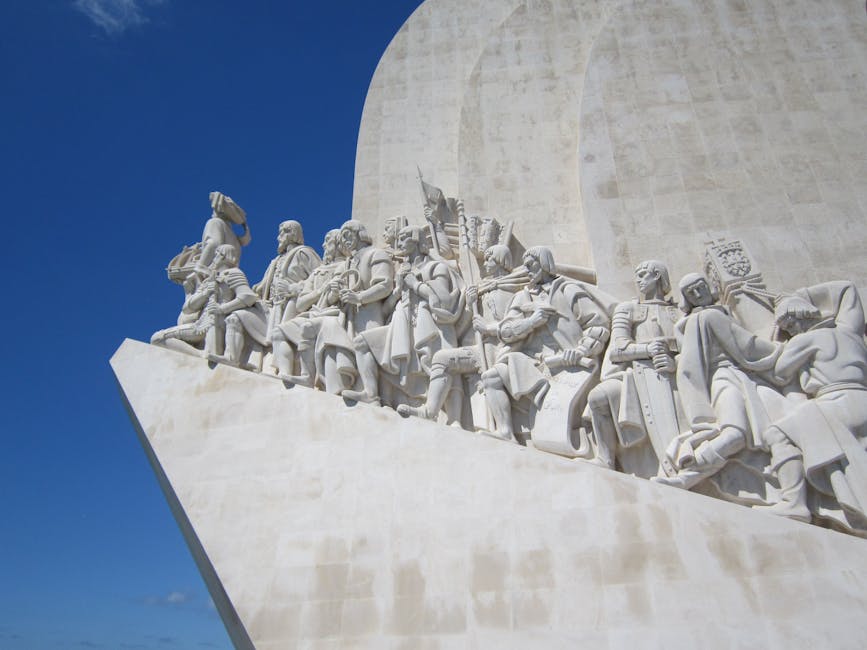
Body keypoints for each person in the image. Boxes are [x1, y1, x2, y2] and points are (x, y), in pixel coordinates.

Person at [755, 282, 867, 527]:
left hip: (835, 402)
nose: (790, 330)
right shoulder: (849, 331)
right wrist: (801, 295)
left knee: (777, 434)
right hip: (861, 399)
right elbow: (848, 288)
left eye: (790, 324)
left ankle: (794, 502)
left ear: (802, 315)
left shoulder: (803, 340)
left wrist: (778, 339)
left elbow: (780, 373)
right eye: (786, 328)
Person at [480, 246, 610, 441]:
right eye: (524, 266)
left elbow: (598, 325)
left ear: (544, 264)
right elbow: (506, 332)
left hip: (568, 362)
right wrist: (531, 322)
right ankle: (506, 432)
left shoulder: (567, 290)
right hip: (533, 364)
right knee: (491, 377)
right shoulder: (521, 297)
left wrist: (581, 350)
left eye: (530, 265)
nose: (526, 270)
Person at [396, 243, 516, 424]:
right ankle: (430, 411)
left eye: (490, 259)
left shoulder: (513, 290)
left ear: (500, 261)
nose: (486, 263)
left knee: (487, 377)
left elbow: (515, 325)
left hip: (499, 349)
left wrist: (489, 328)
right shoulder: (482, 289)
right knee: (441, 358)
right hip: (480, 349)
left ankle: (504, 430)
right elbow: (468, 323)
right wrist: (469, 303)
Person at [345, 225, 463, 406]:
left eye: (404, 238)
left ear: (417, 239)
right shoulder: (401, 272)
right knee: (362, 343)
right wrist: (398, 291)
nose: (398, 242)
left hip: (428, 325)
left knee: (438, 368)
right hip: (401, 324)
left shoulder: (436, 267)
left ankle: (448, 416)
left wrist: (415, 284)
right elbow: (385, 311)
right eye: (398, 238)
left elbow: (444, 299)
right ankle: (371, 394)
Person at [585, 260, 681, 474]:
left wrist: (675, 362)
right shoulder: (627, 309)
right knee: (598, 397)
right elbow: (617, 350)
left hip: (674, 376)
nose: (637, 280)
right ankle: (605, 458)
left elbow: (692, 350)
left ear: (657, 276)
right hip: (633, 377)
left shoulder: (679, 313)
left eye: (643, 275)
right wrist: (647, 350)